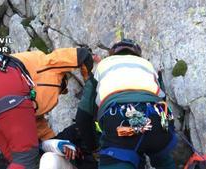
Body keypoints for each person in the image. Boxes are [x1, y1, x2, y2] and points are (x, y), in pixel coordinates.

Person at [0, 47, 95, 169]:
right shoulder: (50, 64)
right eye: (62, 89)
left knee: (14, 157)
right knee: (26, 160)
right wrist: (89, 80)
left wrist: (56, 145)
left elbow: (39, 130)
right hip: (2, 82)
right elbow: (82, 55)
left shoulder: (28, 103)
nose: (59, 95)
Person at [75, 39, 177, 169]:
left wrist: (93, 148)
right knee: (163, 157)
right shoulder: (148, 65)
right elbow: (163, 101)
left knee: (118, 159)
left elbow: (83, 117)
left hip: (119, 122)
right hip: (156, 119)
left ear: (113, 54)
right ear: (137, 54)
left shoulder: (102, 67)